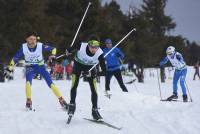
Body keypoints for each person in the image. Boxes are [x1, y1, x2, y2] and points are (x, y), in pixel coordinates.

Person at [4, 32, 68, 110]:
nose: (33, 41)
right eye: (31, 39)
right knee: (28, 83)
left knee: (51, 84)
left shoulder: (40, 46)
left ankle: (62, 100)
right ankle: (28, 102)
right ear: (26, 39)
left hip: (41, 67)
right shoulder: (23, 48)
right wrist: (9, 68)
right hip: (30, 68)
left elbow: (53, 49)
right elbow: (15, 58)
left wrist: (53, 56)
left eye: (34, 39)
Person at [66, 37, 106, 120]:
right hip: (78, 66)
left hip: (90, 69)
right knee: (74, 85)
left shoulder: (100, 54)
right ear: (88, 45)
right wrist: (68, 51)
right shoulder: (81, 46)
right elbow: (70, 49)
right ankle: (72, 105)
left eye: (96, 47)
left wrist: (93, 73)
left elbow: (104, 72)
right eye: (92, 47)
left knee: (94, 90)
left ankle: (95, 111)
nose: (94, 50)